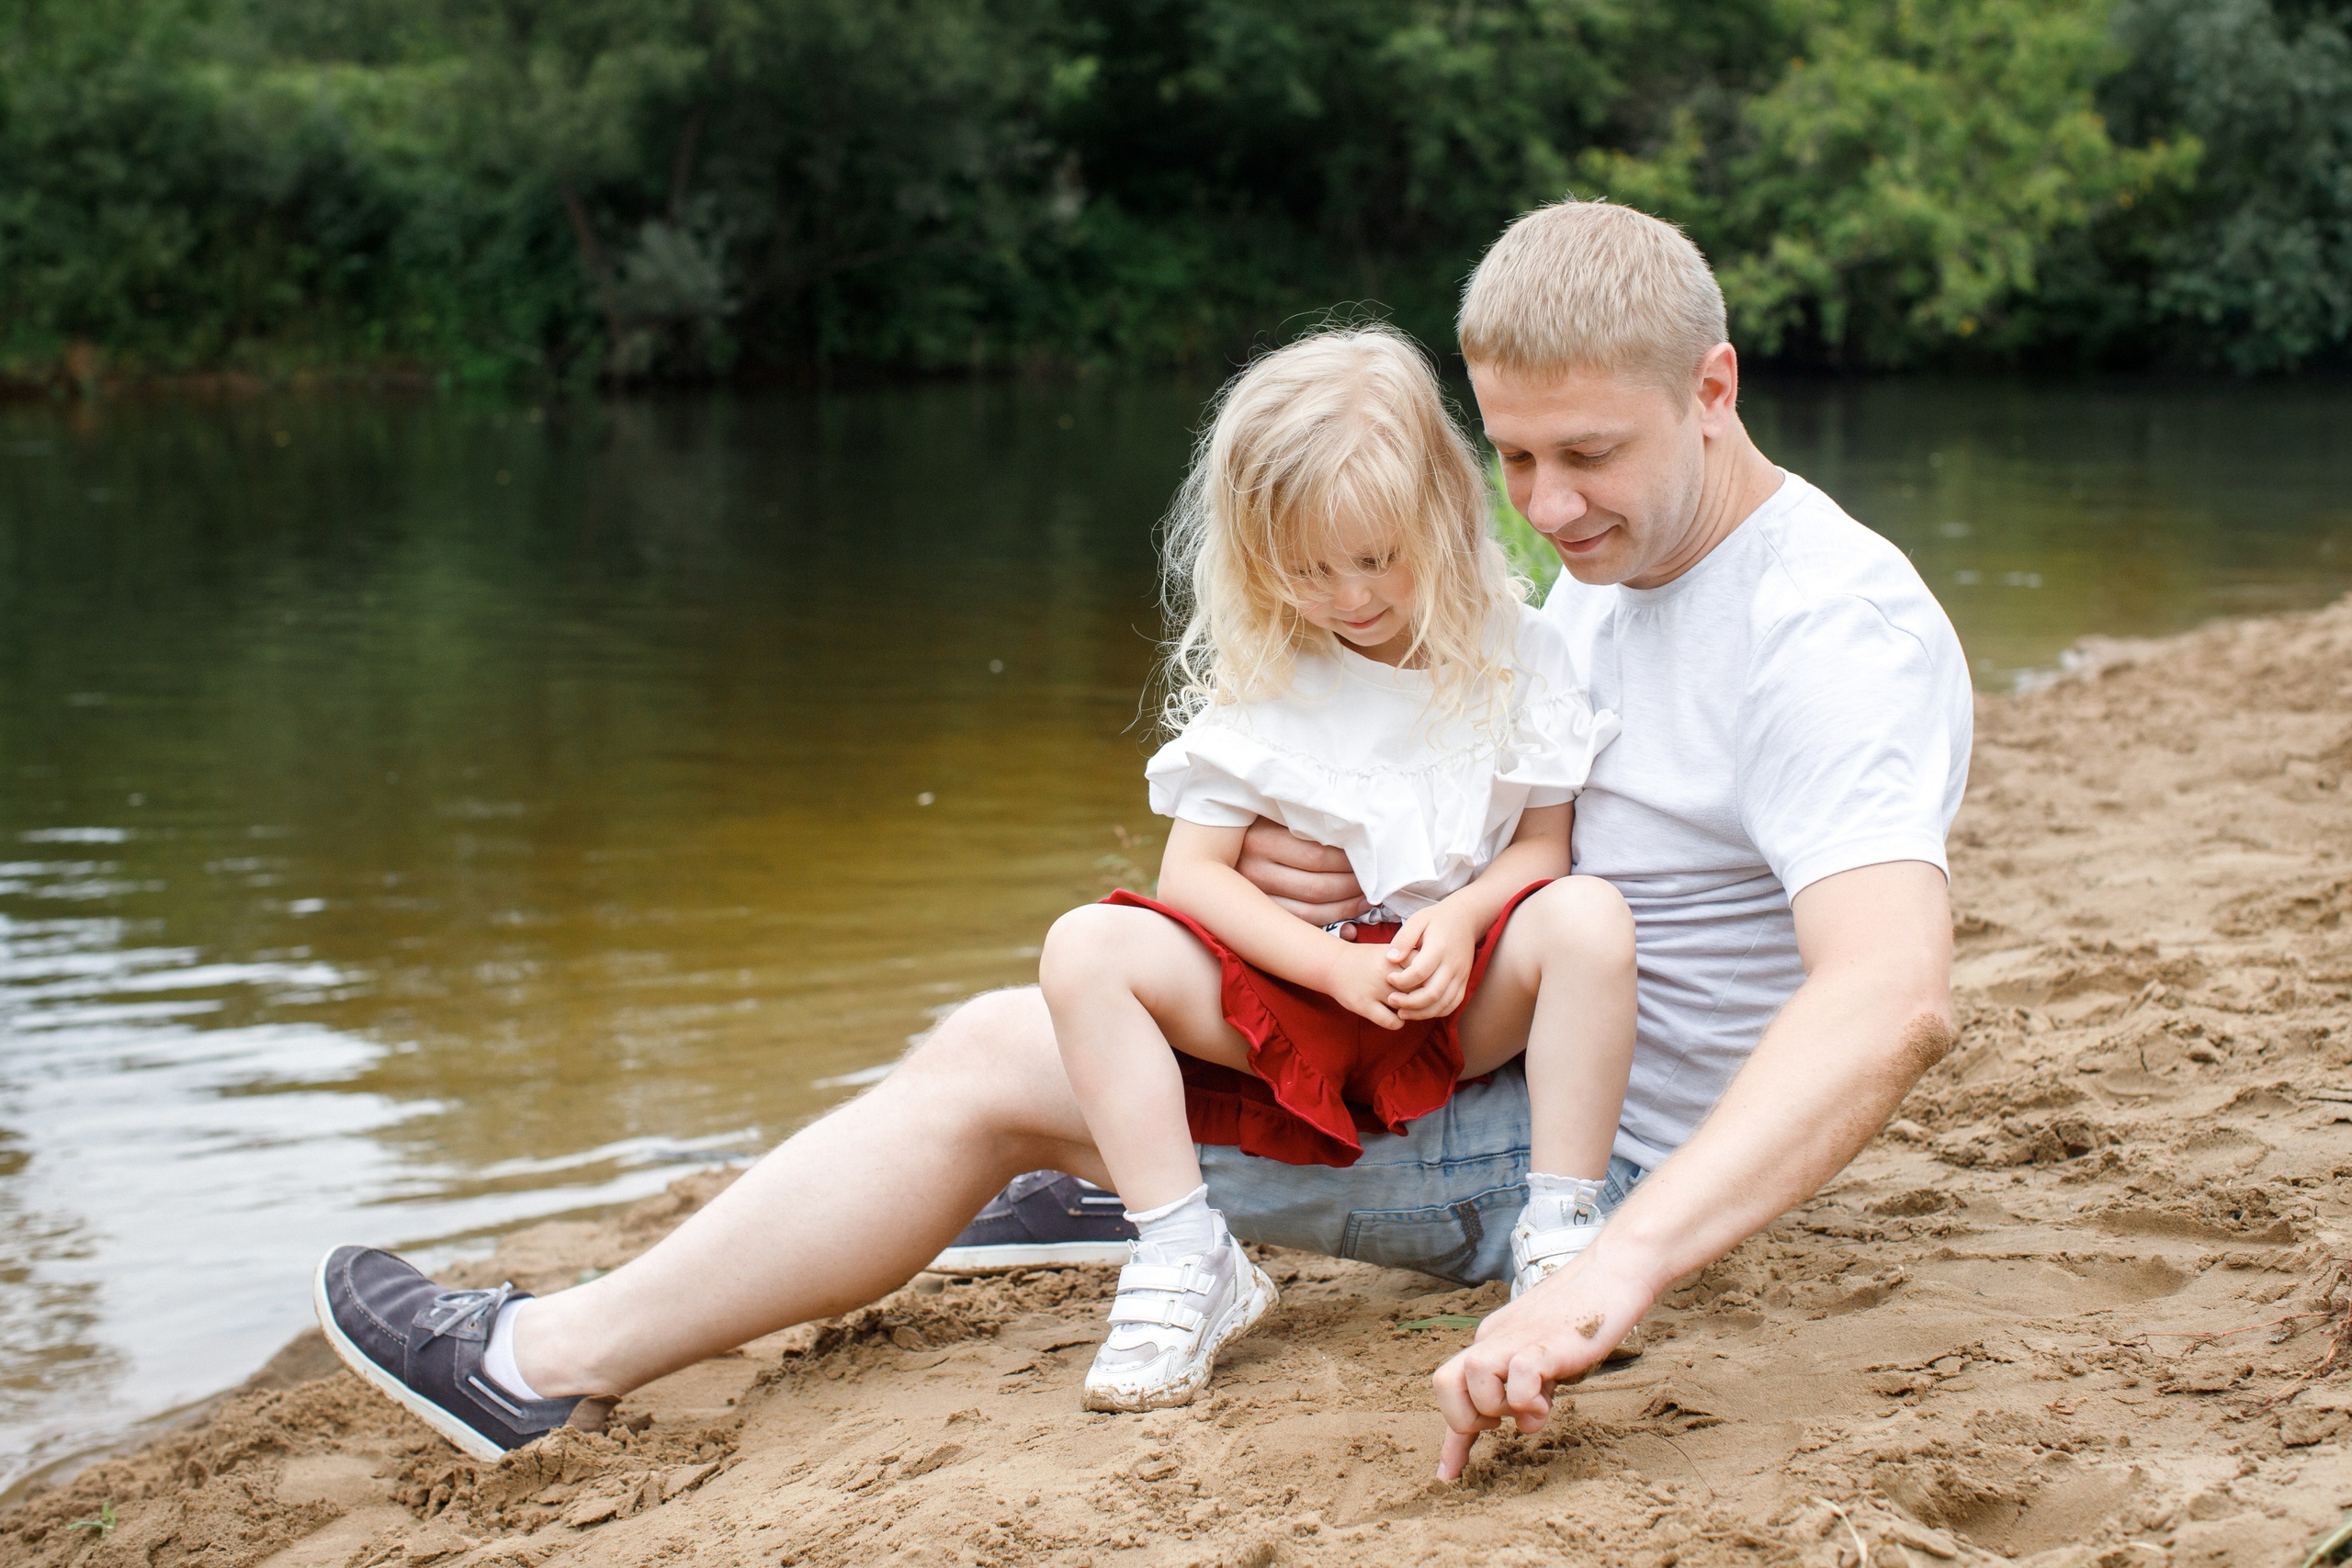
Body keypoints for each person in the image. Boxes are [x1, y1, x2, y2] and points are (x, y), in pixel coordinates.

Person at [311, 197, 1967, 1483]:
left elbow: (1887, 999)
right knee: (1089, 1000)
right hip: (1472, 1053)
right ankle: (1124, 1179)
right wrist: (1345, 875)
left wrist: (1620, 1270)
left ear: (1715, 387)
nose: (1544, 508)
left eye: (1587, 455)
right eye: (1513, 456)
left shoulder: (1828, 631)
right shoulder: (1604, 578)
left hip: (1569, 1161)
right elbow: (1488, 796)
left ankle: (533, 1365)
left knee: (981, 1060)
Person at [1043, 326, 1635, 1413]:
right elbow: (1196, 882)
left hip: (1454, 994)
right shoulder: (1274, 669)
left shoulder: (1519, 651)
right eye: (1307, 571)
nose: (1349, 597)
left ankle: (1558, 1229)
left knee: (1589, 917)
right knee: (1084, 946)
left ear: (1446, 517)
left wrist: (1458, 921)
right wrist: (1329, 971)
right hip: (1300, 997)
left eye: (1375, 560)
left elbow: (1542, 850)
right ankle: (1184, 1251)